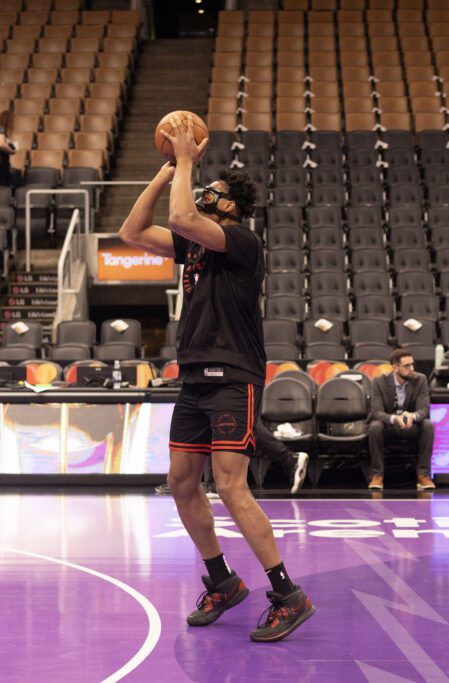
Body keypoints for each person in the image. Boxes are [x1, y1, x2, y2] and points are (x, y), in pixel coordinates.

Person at [118, 114, 315, 643]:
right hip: (195, 379)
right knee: (182, 484)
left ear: (234, 207)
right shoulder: (194, 245)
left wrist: (185, 162)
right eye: (205, 188)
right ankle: (222, 581)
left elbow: (183, 214)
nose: (206, 195)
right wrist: (166, 170)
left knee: (229, 484)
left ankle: (287, 593)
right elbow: (131, 231)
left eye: (217, 193)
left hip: (234, 376)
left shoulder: (241, 242)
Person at [155, 423, 309, 495]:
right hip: (238, 375)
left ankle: (290, 460)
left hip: (235, 376)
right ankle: (290, 460)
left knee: (247, 424)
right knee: (217, 422)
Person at [367, 348, 436, 492]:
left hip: (411, 426)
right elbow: (376, 412)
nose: (412, 369)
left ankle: (423, 475)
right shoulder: (379, 382)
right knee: (375, 426)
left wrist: (413, 416)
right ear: (394, 367)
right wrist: (394, 419)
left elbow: (424, 409)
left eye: (412, 365)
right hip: (389, 426)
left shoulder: (420, 379)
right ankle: (377, 475)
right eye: (407, 366)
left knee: (427, 425)